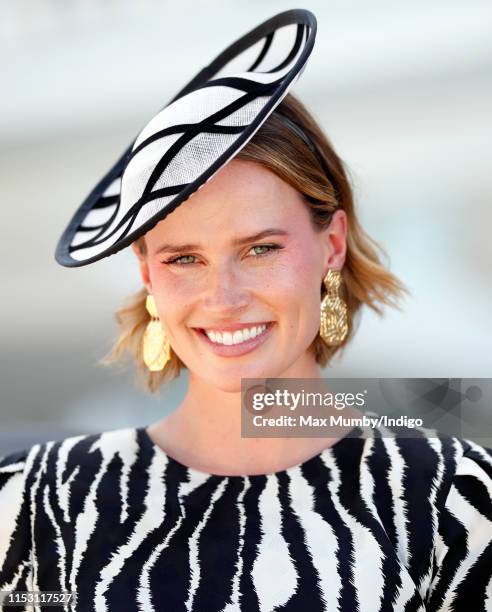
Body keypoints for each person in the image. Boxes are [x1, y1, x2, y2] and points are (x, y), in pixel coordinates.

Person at [1, 10, 491, 612]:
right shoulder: (40, 500)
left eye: (260, 249)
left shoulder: (453, 498)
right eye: (184, 259)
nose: (224, 298)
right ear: (147, 272)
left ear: (331, 246)